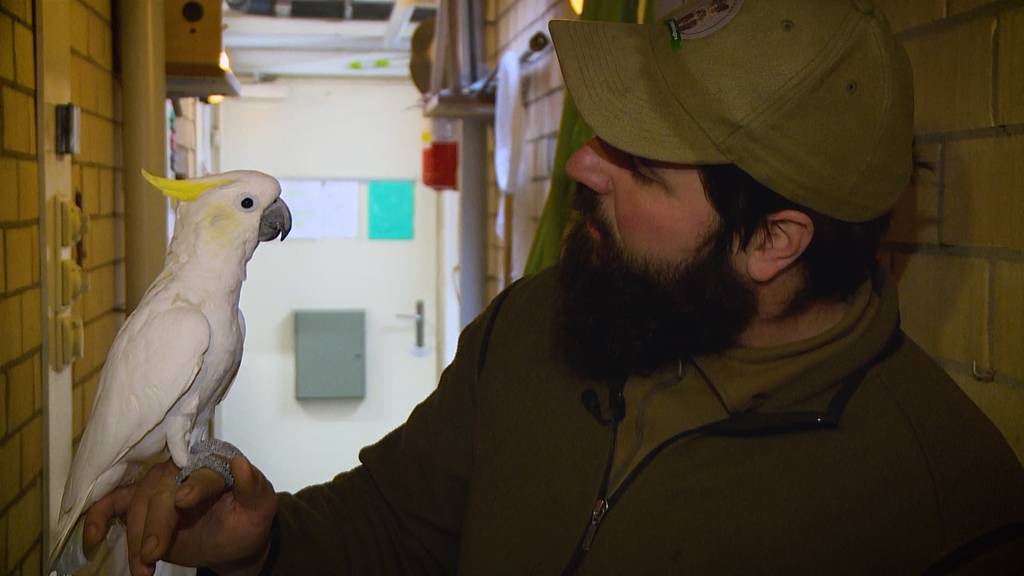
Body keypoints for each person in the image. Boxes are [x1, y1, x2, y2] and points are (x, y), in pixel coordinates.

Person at [84, 0, 1024, 574]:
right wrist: (268, 544)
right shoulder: (539, 324)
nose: (582, 168)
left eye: (641, 166)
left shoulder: (947, 512)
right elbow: (394, 532)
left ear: (771, 240)